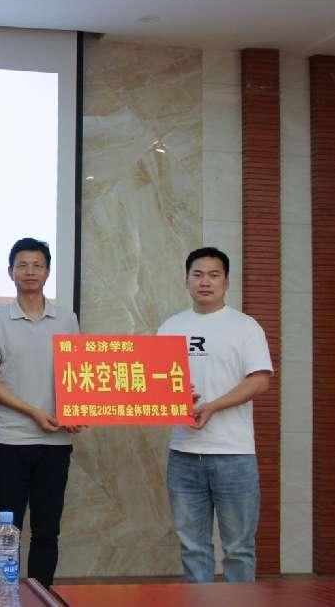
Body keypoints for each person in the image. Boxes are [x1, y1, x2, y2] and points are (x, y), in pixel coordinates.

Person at [158, 247, 272, 583]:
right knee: (193, 548)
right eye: (197, 274)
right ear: (186, 280)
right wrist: (172, 398)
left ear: (226, 281)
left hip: (234, 454)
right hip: (183, 454)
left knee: (238, 548)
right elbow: (154, 383)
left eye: (213, 275)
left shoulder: (245, 327)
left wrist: (212, 406)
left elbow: (260, 380)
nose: (204, 281)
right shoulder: (170, 327)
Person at [0, 237, 81, 588]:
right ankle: (5, 595)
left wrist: (77, 410)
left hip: (56, 443)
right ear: (10, 272)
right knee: (7, 528)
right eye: (22, 265)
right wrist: (32, 411)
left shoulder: (67, 319)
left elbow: (77, 376)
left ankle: (41, 595)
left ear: (48, 272)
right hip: (9, 441)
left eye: (37, 265)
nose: (30, 272)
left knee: (47, 530)